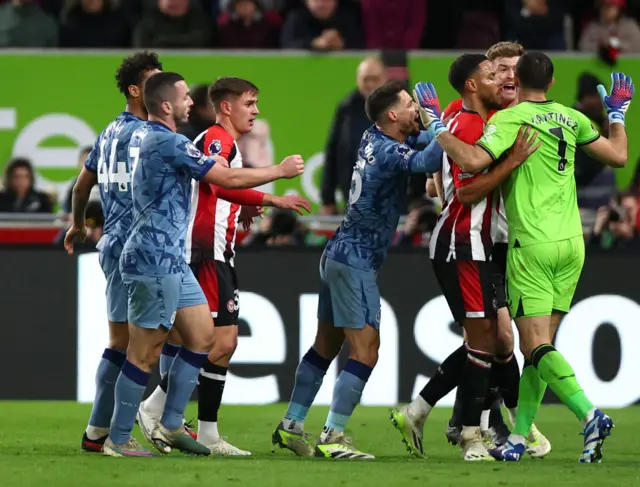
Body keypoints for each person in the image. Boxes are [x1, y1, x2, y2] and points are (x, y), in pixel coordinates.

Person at [417, 52, 632, 463]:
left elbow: (474, 162)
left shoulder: (510, 120)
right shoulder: (572, 117)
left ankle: (589, 415)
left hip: (531, 244)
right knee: (540, 345)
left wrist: (437, 128)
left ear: (518, 80)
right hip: (573, 243)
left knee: (533, 346)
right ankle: (519, 436)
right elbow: (619, 156)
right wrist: (617, 114)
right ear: (551, 83)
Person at [102, 71, 305, 457]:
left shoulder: (162, 139)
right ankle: (119, 435)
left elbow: (218, 182)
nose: (190, 102)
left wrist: (249, 203)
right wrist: (277, 175)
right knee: (144, 352)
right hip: (154, 257)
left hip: (173, 258)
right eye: (183, 97)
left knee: (202, 338)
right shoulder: (166, 141)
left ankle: (174, 422)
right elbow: (221, 177)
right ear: (166, 105)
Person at [272, 80, 444, 459]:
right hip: (355, 260)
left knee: (325, 346)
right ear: (393, 115)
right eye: (410, 105)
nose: (416, 108)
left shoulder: (373, 136)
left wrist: (433, 127)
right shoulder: (385, 150)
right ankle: (332, 435)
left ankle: (291, 425)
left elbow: (418, 145)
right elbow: (430, 159)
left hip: (339, 253)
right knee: (366, 351)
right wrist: (441, 121)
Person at [392, 54, 538, 462]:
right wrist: (513, 161)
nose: (500, 80)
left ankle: (421, 412)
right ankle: (472, 436)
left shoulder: (469, 119)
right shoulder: (471, 125)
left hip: (474, 243)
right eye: (491, 75)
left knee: (488, 338)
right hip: (462, 241)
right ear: (473, 85)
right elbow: (470, 192)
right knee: (484, 341)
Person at [63, 51, 163, 454]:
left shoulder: (107, 133)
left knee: (120, 342)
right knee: (177, 339)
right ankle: (134, 429)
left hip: (111, 244)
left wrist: (77, 223)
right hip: (141, 248)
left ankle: (96, 432)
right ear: (136, 89)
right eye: (154, 81)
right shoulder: (148, 134)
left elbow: (80, 187)